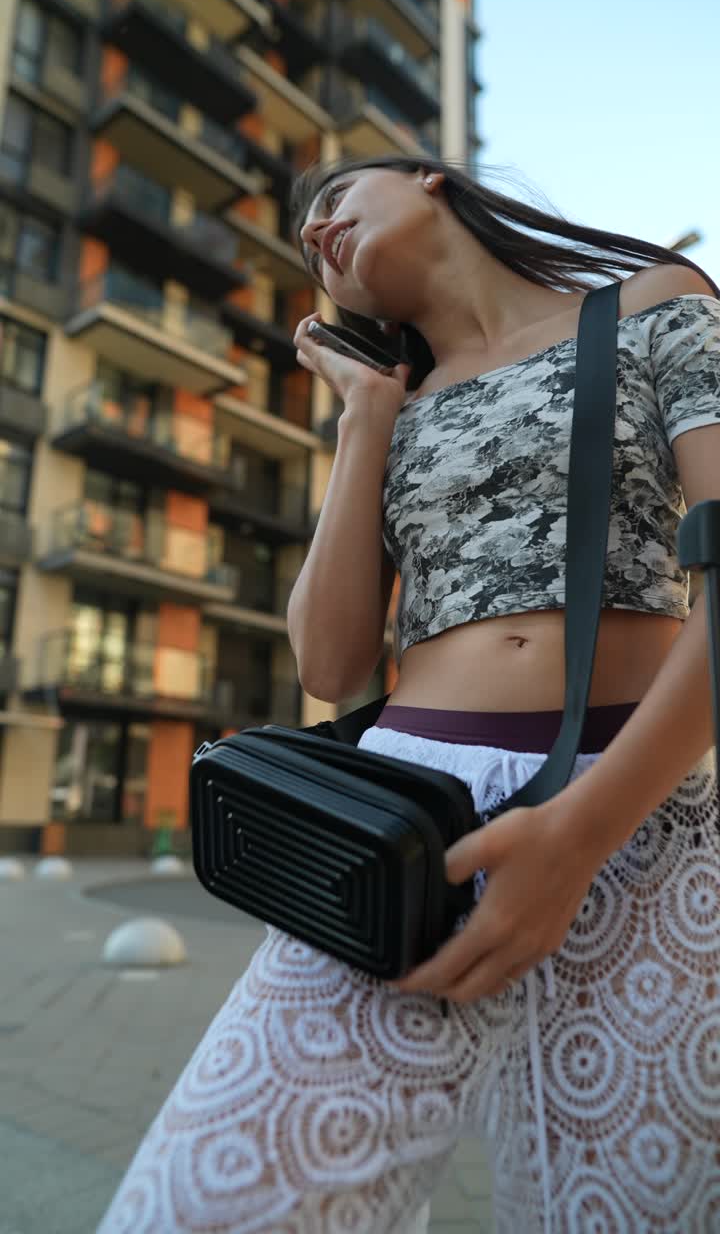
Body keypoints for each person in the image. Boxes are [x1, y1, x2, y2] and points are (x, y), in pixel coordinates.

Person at [97, 155, 720, 1234]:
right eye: (306, 242)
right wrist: (366, 417)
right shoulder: (394, 408)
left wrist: (581, 833)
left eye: (334, 202)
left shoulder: (656, 303)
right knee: (210, 1198)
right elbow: (330, 665)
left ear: (430, 180)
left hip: (643, 810)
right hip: (407, 826)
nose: (317, 234)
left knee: (628, 1211)